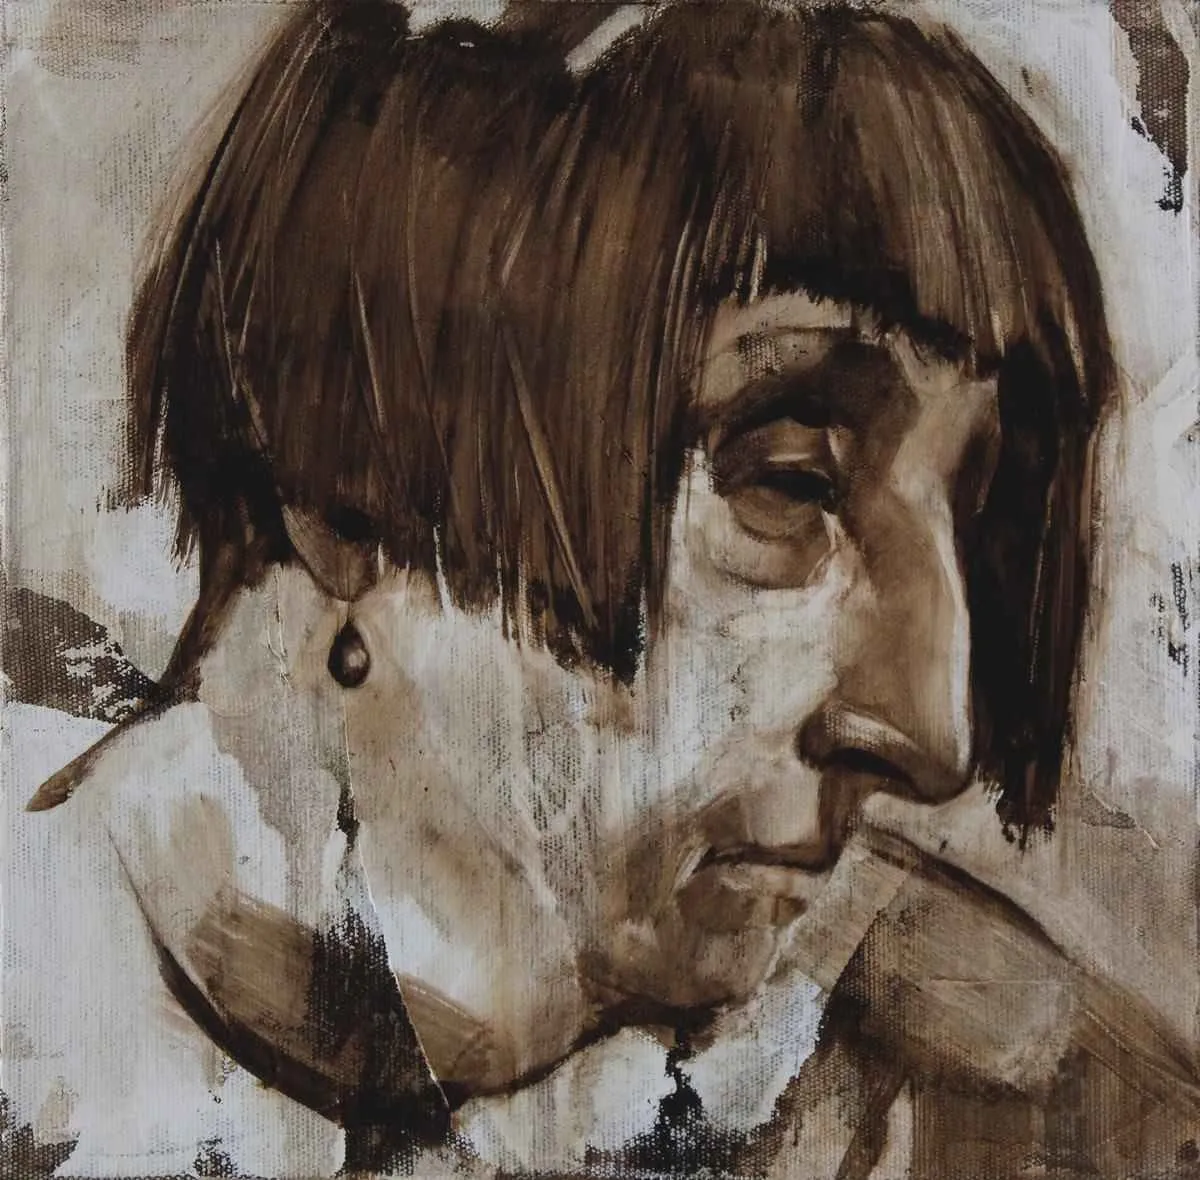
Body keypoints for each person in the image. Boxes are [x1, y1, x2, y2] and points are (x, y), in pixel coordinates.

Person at [7, 1, 1196, 1175]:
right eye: (786, 481)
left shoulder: (1041, 1123)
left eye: (975, 527)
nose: (934, 731)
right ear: (346, 478)